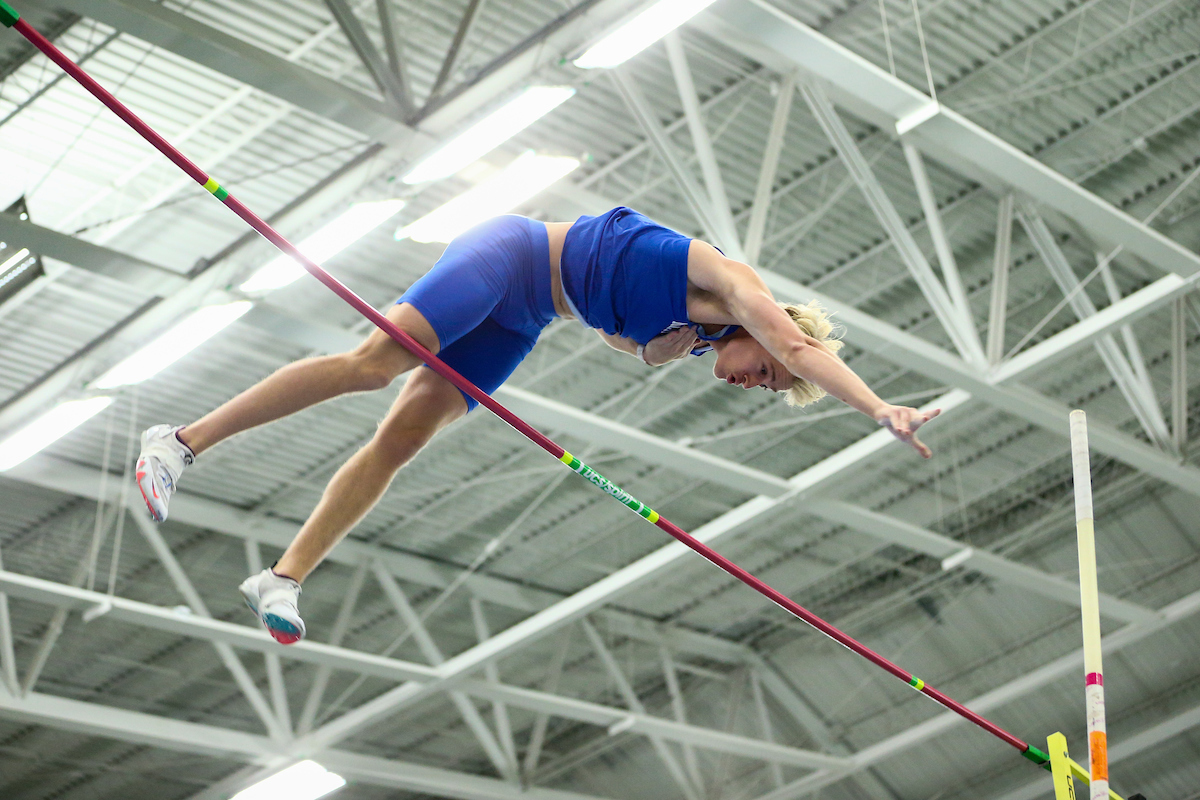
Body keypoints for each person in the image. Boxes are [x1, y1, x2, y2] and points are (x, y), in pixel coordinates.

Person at [135, 207, 939, 644]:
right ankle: (180, 442)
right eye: (766, 376)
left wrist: (656, 343)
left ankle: (283, 575)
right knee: (376, 363)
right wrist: (877, 406)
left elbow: (618, 324)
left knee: (403, 438)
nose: (754, 384)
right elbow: (797, 344)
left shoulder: (688, 338)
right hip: (510, 256)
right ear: (763, 339)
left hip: (527, 315)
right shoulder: (734, 292)